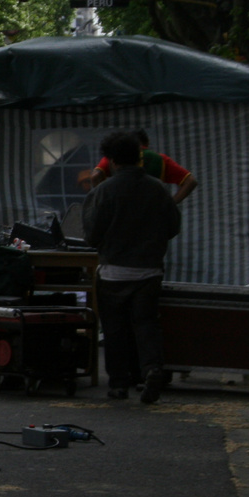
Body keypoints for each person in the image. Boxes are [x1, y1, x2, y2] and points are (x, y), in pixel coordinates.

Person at [83, 130, 183, 404]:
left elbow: (91, 236)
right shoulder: (157, 188)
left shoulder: (103, 191)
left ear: (112, 160)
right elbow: (173, 226)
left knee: (114, 329)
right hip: (149, 271)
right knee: (146, 325)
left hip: (113, 272)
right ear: (139, 157)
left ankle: (118, 384)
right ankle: (151, 369)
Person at [87, 129, 198, 204]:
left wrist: (102, 199)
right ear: (147, 143)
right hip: (151, 221)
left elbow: (95, 177)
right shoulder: (160, 160)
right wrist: (172, 204)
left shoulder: (114, 155)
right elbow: (191, 181)